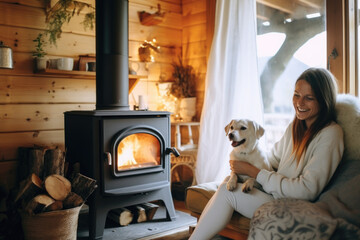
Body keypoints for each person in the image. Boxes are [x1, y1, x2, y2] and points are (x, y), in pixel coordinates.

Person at [189, 68, 344, 240]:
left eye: (309, 98)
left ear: (324, 101)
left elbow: (306, 190)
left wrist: (253, 172)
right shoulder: (296, 128)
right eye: (296, 95)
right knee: (227, 182)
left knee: (228, 193)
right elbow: (271, 160)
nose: (299, 103)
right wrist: (246, 158)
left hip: (292, 204)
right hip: (275, 194)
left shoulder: (331, 134)